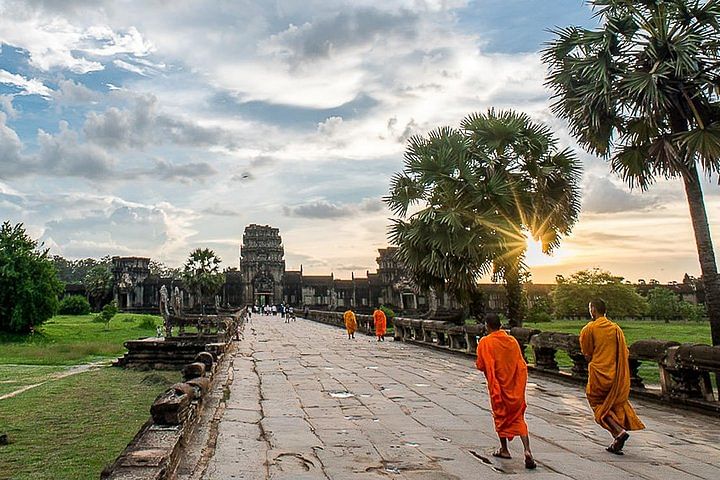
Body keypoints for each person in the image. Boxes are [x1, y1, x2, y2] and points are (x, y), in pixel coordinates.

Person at [581, 298, 645, 454]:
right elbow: (624, 352)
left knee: (598, 404)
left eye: (590, 308)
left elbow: (587, 353)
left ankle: (618, 431)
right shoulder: (616, 329)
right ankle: (616, 441)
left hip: (598, 373)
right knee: (611, 405)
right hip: (615, 374)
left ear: (594, 310)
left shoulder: (590, 329)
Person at [475, 313, 536, 469]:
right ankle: (527, 450)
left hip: (499, 388)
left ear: (487, 326)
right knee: (518, 418)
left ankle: (504, 449)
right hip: (514, 387)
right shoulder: (512, 341)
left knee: (500, 417)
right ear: (500, 325)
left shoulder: (485, 342)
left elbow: (481, 365)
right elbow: (520, 364)